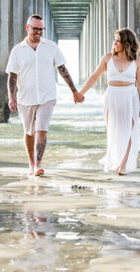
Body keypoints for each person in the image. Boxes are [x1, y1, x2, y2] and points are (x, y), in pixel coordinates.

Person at [6, 14, 84, 176]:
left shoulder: (51, 47)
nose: (39, 32)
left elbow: (62, 69)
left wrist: (74, 91)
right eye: (35, 29)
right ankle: (31, 163)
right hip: (26, 97)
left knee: (41, 129)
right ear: (28, 28)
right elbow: (12, 76)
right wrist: (11, 97)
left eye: (41, 29)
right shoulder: (17, 51)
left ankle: (38, 165)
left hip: (47, 96)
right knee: (29, 132)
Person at [79, 28, 140, 175]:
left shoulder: (137, 61)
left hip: (130, 97)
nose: (115, 43)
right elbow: (94, 76)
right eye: (114, 40)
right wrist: (80, 93)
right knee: (113, 131)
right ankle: (115, 161)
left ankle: (122, 165)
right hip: (112, 96)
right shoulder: (108, 58)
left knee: (129, 131)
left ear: (126, 43)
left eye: (118, 40)